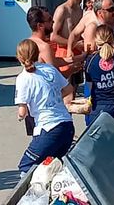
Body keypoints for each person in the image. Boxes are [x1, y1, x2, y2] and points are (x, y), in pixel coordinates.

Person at [14, 39, 75, 174]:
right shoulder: (50, 69)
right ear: (37, 54)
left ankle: (31, 194)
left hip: (48, 128)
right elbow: (68, 89)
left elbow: (22, 111)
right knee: (54, 166)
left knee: (26, 166)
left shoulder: (23, 78)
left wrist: (20, 116)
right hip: (67, 125)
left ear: (19, 57)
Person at [27, 6, 83, 77]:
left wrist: (81, 57)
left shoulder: (27, 43)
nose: (53, 21)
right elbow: (56, 76)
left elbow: (55, 61)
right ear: (40, 25)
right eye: (50, 20)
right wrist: (72, 69)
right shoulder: (44, 47)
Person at [51, 0, 85, 77]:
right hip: (64, 53)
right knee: (66, 88)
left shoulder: (80, 11)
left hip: (78, 54)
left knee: (74, 87)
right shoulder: (62, 10)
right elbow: (53, 36)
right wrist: (73, 44)